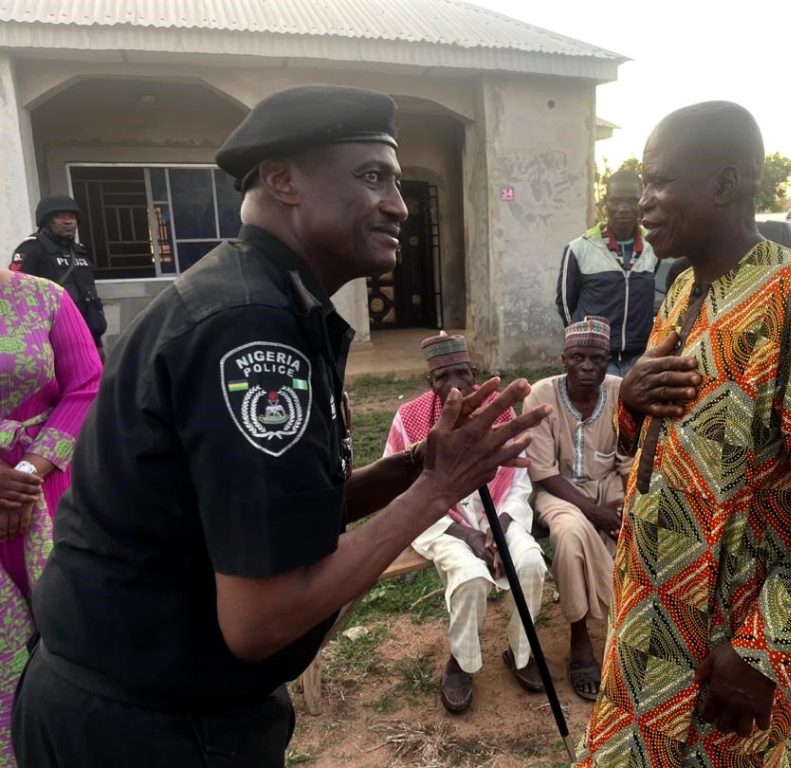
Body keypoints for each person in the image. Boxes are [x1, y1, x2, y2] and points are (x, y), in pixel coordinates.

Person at [12, 85, 549, 768]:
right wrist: (435, 492)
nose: (399, 203)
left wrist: (415, 466)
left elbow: (268, 520)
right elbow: (259, 621)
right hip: (145, 728)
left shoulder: (266, 300)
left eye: (396, 180)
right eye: (371, 176)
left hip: (144, 707)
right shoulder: (250, 327)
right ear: (282, 179)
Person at [575, 102, 791, 768]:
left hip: (728, 646)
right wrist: (628, 399)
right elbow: (661, 440)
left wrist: (769, 654)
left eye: (660, 182)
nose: (645, 203)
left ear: (723, 185)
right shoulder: (683, 288)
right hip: (645, 624)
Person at [383, 333, 547, 713]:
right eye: (443, 376)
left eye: (462, 373)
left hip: (501, 515)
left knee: (530, 563)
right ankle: (462, 661)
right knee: (470, 576)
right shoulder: (409, 418)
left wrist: (499, 526)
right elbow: (402, 492)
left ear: (475, 376)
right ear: (431, 382)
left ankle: (523, 654)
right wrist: (468, 534)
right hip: (439, 522)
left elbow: (518, 480)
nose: (454, 384)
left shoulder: (498, 411)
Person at [0, 265, 101, 764]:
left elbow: (86, 385)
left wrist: (24, 472)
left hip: (47, 486)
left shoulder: (45, 297)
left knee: (69, 630)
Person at [522, 316, 629, 702]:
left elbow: (628, 459)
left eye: (597, 359)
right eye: (578, 358)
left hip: (610, 485)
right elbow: (543, 471)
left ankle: (625, 635)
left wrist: (624, 501)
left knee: (636, 531)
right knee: (570, 535)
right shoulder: (540, 395)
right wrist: (594, 512)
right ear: (564, 359)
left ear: (609, 360)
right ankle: (580, 638)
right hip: (558, 490)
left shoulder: (620, 391)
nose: (587, 367)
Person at [557, 170, 658, 375]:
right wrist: (584, 344)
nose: (623, 208)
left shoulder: (654, 246)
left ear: (641, 202)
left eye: (631, 201)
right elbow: (566, 305)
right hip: (597, 359)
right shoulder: (579, 249)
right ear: (605, 202)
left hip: (640, 356)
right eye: (616, 201)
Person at [10, 195, 108, 355]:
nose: (68, 222)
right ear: (47, 220)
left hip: (89, 337)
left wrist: (97, 340)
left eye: (72, 217)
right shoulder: (32, 249)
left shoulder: (80, 251)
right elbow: (16, 295)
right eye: (60, 217)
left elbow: (91, 296)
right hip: (53, 341)